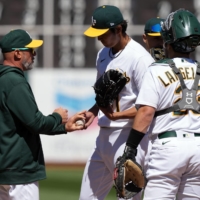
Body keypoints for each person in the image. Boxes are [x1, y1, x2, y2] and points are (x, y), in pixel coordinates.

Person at [122, 8, 200, 199]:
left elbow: (146, 112)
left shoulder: (156, 70)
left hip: (168, 148)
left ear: (168, 40)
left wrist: (130, 149)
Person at [79, 5, 154, 200]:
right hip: (103, 137)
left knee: (128, 197)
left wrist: (117, 115)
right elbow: (103, 94)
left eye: (103, 33)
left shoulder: (140, 59)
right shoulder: (103, 54)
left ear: (118, 29)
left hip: (127, 137)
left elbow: (149, 106)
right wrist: (94, 111)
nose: (98, 38)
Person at [0, 29, 86, 200]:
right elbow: (35, 122)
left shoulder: (4, 79)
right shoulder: (14, 82)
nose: (34, 53)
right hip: (19, 170)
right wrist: (57, 117)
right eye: (30, 50)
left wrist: (64, 127)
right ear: (17, 53)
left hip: (5, 168)